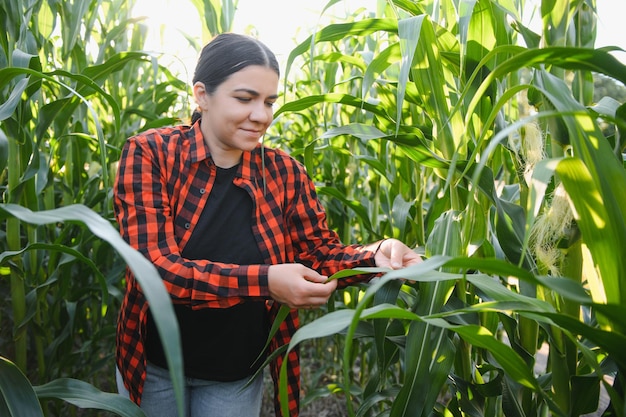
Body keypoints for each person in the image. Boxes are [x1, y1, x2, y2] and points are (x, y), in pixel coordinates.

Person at [113, 32, 421, 417]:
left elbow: (319, 255)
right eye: (245, 99)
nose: (262, 115)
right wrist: (267, 281)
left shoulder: (284, 173)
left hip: (235, 373)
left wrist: (374, 256)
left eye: (269, 101)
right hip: (153, 365)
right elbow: (155, 270)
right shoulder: (151, 154)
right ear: (202, 95)